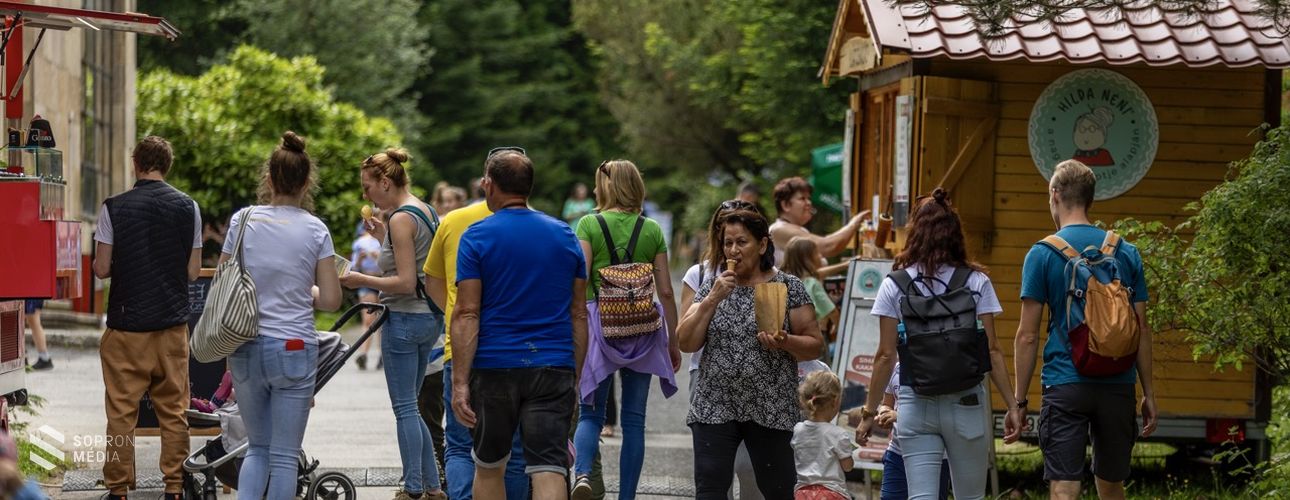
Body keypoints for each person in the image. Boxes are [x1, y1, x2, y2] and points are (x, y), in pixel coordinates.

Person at [853, 188, 1024, 500]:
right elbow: (993, 350)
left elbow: (885, 356)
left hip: (916, 404)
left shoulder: (895, 284)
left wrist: (867, 412)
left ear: (915, 232)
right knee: (969, 496)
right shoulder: (976, 282)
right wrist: (1013, 405)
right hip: (967, 403)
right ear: (955, 232)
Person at [450, 147, 588, 500]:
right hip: (553, 364)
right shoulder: (565, 235)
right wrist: (575, 377)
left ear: (490, 185)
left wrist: (460, 382)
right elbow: (578, 313)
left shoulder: (477, 236)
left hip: (494, 366)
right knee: (549, 466)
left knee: (490, 464)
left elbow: (467, 312)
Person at [1013, 160, 1156, 500]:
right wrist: (1148, 392)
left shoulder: (1042, 254)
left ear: (1055, 195)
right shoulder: (1126, 252)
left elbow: (1027, 335)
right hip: (1118, 383)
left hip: (1065, 382)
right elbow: (1142, 329)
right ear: (1090, 199)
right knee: (1111, 485)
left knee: (1064, 487)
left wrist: (1019, 401)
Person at [219, 131, 342, 499]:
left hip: (244, 344)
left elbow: (223, 281)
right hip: (293, 346)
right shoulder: (316, 230)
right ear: (306, 183)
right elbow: (332, 300)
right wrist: (308, 290)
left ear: (269, 179)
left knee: (256, 449)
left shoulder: (243, 220)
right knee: (285, 456)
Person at [677, 208, 825, 499]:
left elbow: (814, 343)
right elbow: (686, 342)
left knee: (777, 490)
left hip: (771, 406)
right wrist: (711, 300)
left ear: (762, 245)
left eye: (741, 242)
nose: (733, 250)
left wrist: (784, 341)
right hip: (715, 405)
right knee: (710, 489)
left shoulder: (788, 286)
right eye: (727, 243)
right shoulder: (712, 286)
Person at [92, 135, 202, 500]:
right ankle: (174, 486)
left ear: (135, 163)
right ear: (166, 166)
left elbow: (103, 269)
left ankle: (119, 489)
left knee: (121, 413)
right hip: (171, 328)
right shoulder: (190, 208)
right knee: (174, 411)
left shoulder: (113, 208)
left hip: (126, 328)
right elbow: (192, 271)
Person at [570, 160, 681, 500]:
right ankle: (628, 497)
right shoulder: (651, 230)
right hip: (642, 326)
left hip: (598, 323)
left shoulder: (588, 223)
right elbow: (664, 290)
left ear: (605, 187)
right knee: (634, 421)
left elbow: (581, 276)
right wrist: (672, 340)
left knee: (590, 412)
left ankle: (584, 475)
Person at [340, 149, 446, 500]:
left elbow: (403, 281)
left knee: (404, 408)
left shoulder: (402, 218)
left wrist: (359, 279)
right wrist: (386, 231)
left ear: (385, 182)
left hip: (403, 318)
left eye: (368, 187)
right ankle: (432, 486)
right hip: (428, 318)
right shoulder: (424, 210)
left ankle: (413, 486)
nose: (365, 195)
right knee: (412, 406)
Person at [423, 159, 530, 500]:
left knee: (459, 443)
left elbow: (433, 282)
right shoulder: (535, 223)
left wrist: (452, 311)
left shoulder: (454, 221)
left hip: (462, 346)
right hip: (514, 347)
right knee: (512, 449)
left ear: (488, 182)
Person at [874, 363, 950, 500]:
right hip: (897, 453)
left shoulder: (939, 367)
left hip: (933, 456)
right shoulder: (895, 368)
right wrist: (884, 411)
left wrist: (898, 416)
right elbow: (887, 402)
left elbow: (940, 415)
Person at [768, 177, 869, 267]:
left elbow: (827, 241)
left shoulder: (797, 229)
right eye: (802, 198)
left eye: (809, 198)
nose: (809, 203)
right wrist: (854, 223)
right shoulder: (779, 229)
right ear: (785, 205)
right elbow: (828, 246)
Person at [791, 371, 854, 500]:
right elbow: (848, 467)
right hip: (831, 493)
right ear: (836, 401)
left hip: (802, 493)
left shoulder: (798, 430)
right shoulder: (838, 434)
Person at [779, 237, 839, 354]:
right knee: (818, 371)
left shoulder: (782, 282)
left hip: (790, 340)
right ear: (807, 259)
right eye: (817, 253)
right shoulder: (812, 283)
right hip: (813, 338)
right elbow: (831, 310)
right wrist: (838, 326)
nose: (820, 256)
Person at [352, 220, 384, 370]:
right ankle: (363, 354)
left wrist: (377, 256)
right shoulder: (359, 243)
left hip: (383, 280)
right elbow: (354, 267)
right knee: (368, 319)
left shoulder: (384, 239)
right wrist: (360, 259)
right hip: (366, 281)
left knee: (381, 320)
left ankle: (382, 355)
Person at [24, 300, 51, 370]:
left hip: (32, 292)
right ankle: (44, 357)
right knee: (31, 320)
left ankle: (44, 358)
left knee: (33, 319)